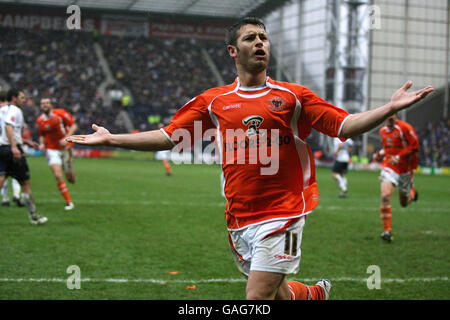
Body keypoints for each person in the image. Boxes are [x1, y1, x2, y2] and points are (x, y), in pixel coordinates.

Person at [67, 17, 433, 300]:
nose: (260, 43)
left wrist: (388, 108)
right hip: (239, 216)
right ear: (232, 51)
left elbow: (345, 126)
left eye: (264, 38)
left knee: (256, 297)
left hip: (284, 210)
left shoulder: (293, 96)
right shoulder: (213, 101)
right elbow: (167, 136)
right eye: (250, 38)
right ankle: (314, 293)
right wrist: (113, 137)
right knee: (277, 292)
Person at [0, 89, 47, 225]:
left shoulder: (2, 110)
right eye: (22, 97)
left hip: (1, 147)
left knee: (1, 178)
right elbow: (9, 127)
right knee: (25, 183)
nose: (24, 100)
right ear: (14, 98)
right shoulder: (15, 110)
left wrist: (27, 142)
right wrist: (15, 147)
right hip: (11, 149)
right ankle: (34, 217)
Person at [373, 113, 420, 243]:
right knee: (385, 196)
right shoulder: (382, 130)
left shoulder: (404, 128)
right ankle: (387, 231)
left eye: (391, 116)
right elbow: (388, 147)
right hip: (389, 167)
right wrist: (379, 154)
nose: (389, 118)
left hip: (405, 169)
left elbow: (415, 146)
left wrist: (398, 157)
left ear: (396, 116)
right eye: (386, 116)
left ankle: (412, 192)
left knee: (404, 203)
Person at [36, 97, 77, 210]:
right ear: (40, 106)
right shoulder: (39, 120)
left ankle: (71, 174)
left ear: (51, 105)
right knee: (58, 175)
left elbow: (74, 126)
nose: (45, 105)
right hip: (51, 149)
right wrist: (42, 144)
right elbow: (42, 135)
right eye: (42, 103)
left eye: (47, 103)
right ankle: (69, 202)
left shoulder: (61, 113)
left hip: (66, 148)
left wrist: (66, 138)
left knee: (70, 179)